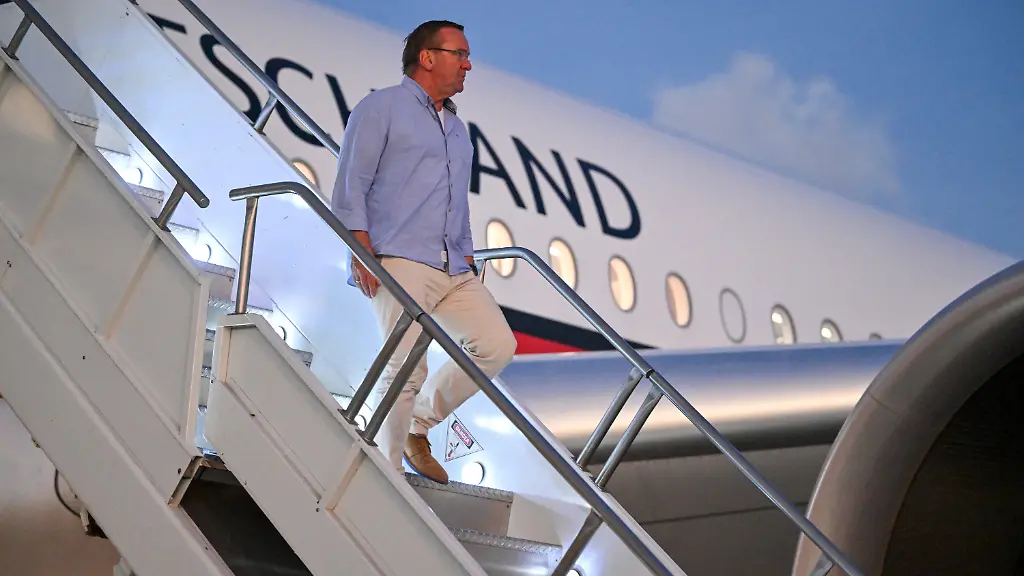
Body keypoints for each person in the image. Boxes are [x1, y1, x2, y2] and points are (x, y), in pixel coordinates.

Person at [330, 20, 518, 484]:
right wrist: (360, 248)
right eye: (460, 54)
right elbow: (352, 182)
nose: (468, 64)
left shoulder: (457, 130)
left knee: (496, 346)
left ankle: (418, 425)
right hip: (399, 257)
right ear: (427, 57)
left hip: (453, 265)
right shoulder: (381, 108)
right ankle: (387, 472)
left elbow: (457, 202)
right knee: (406, 367)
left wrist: (467, 255)